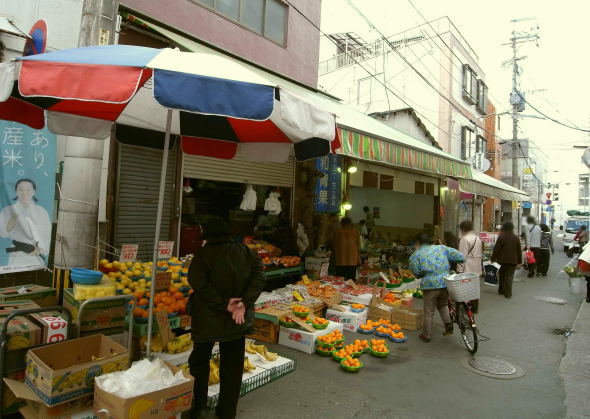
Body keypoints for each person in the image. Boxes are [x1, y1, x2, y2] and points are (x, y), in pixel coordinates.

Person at [188, 218, 266, 419]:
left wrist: (223, 303)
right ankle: (226, 412)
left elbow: (197, 282)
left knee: (200, 363)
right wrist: (244, 302)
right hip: (236, 320)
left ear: (209, 237)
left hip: (206, 319)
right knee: (232, 367)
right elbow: (260, 277)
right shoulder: (248, 253)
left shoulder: (202, 256)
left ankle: (199, 408)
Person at [409, 233, 464, 343]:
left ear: (418, 243)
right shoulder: (442, 248)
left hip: (430, 286)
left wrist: (424, 274)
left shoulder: (416, 255)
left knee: (429, 311)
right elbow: (461, 257)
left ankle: (426, 335)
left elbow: (416, 273)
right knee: (443, 305)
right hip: (445, 283)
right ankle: (449, 325)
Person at [0, 179, 51, 267]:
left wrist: (40, 250)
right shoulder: (8, 210)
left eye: (28, 189)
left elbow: (46, 233)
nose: (24, 192)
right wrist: (15, 216)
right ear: (16, 192)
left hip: (35, 253)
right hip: (17, 253)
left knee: (35, 275)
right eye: (21, 189)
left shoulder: (42, 212)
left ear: (34, 192)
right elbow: (3, 233)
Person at [491, 222, 522, 299]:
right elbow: (519, 251)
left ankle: (501, 289)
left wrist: (493, 258)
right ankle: (508, 293)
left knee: (502, 275)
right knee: (509, 276)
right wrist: (519, 261)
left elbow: (496, 249)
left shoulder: (501, 237)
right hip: (512, 261)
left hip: (502, 260)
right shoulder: (516, 238)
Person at [457, 220, 483, 313]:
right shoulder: (477, 238)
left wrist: (459, 270)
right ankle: (475, 308)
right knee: (474, 287)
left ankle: (466, 308)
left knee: (465, 287)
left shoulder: (464, 239)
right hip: (476, 267)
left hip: (468, 267)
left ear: (463, 229)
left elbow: (461, 256)